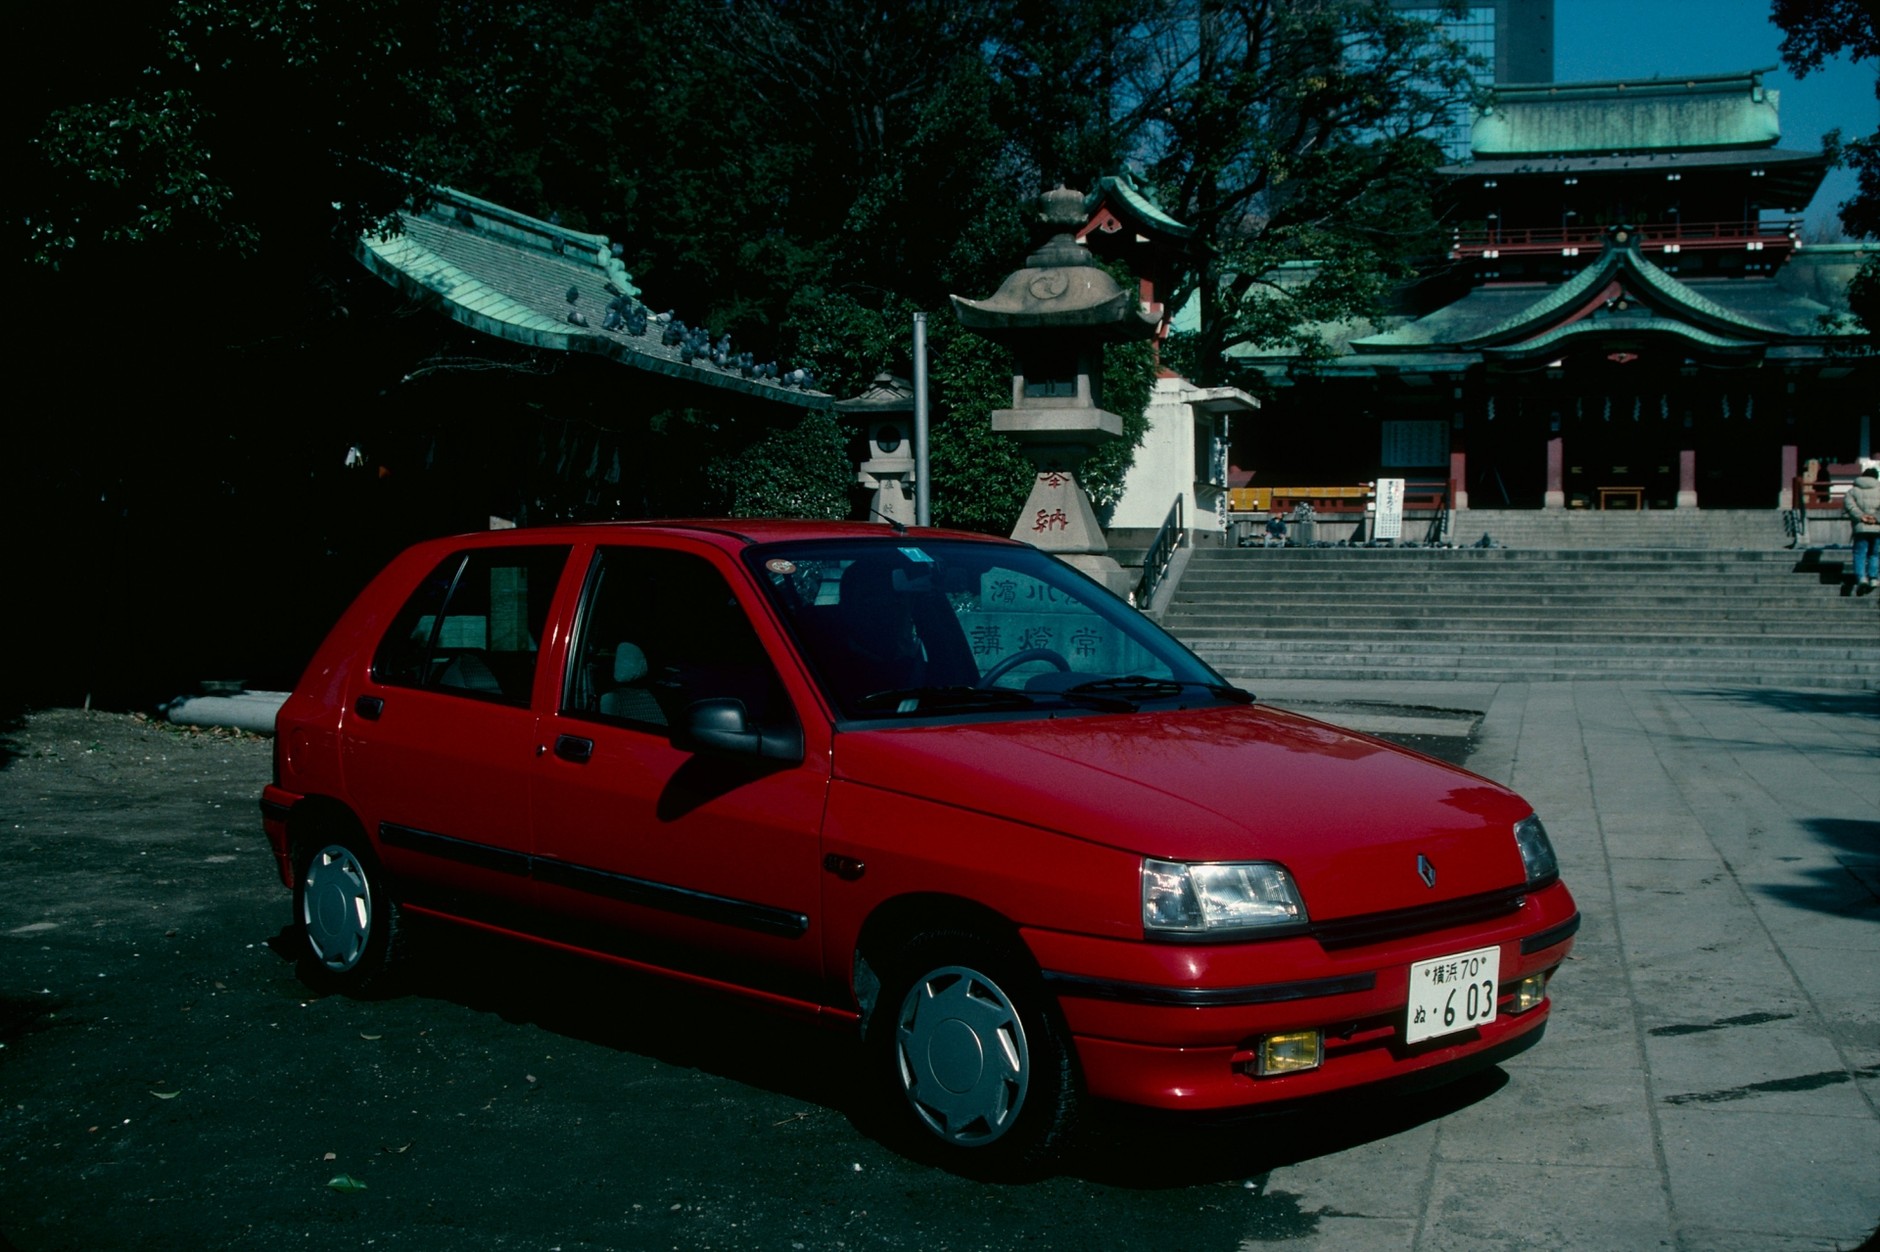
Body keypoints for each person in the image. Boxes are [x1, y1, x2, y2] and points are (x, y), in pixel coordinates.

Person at [1845, 462, 1880, 594]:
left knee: (1860, 553)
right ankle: (1873, 578)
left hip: (1860, 528)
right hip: (1877, 528)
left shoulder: (1852, 491)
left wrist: (1861, 517)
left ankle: (1861, 578)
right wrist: (1875, 518)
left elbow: (1850, 506)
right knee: (1875, 554)